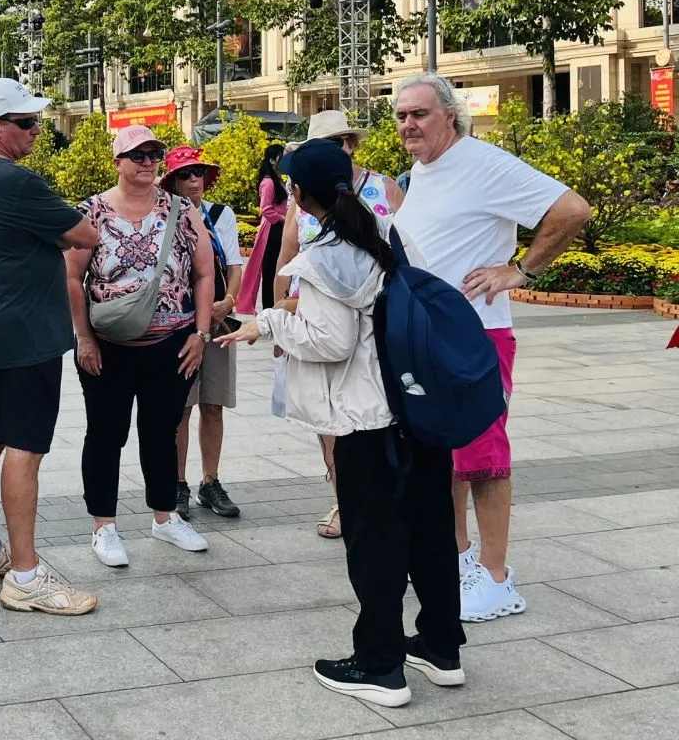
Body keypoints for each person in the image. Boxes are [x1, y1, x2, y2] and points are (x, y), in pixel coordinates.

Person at [224, 138, 464, 709]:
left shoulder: (324, 256)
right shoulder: (392, 237)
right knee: (431, 533)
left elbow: (329, 343)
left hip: (367, 422)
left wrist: (268, 327)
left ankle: (380, 665)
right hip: (419, 410)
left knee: (374, 543)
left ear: (298, 195)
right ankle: (440, 647)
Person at [393, 73, 589, 623]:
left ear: (449, 116)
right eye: (402, 115)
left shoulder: (484, 163)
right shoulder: (423, 172)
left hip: (477, 335)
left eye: (420, 114)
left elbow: (573, 209)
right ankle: (459, 564)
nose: (408, 124)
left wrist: (519, 270)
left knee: (483, 457)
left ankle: (499, 578)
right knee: (445, 456)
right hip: (430, 336)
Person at [0, 78, 101, 614]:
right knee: (25, 447)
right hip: (24, 331)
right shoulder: (15, 181)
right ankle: (24, 574)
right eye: (26, 123)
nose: (37, 130)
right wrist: (55, 234)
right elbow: (86, 235)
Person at [67, 127, 214, 567]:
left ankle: (164, 516)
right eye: (137, 155)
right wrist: (84, 337)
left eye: (154, 154)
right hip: (108, 346)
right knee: (105, 434)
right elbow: (73, 276)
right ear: (118, 160)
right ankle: (104, 526)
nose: (148, 162)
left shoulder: (182, 211)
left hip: (171, 344)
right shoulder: (92, 211)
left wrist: (200, 334)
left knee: (161, 433)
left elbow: (205, 274)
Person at [275, 109, 403, 541]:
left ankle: (370, 508)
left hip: (363, 328)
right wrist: (280, 311)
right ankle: (344, 497)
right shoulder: (306, 199)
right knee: (330, 417)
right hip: (311, 310)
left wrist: (270, 326)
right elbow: (286, 257)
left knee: (368, 414)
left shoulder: (384, 189)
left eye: (341, 142)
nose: (338, 151)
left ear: (353, 144)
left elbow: (405, 249)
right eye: (326, 146)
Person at [161, 145, 244, 520]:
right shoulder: (165, 215)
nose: (194, 181)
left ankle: (210, 481)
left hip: (218, 320)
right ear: (173, 181)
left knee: (213, 403)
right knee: (181, 406)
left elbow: (234, 262)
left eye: (199, 173)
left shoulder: (220, 215)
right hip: (179, 321)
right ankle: (176, 483)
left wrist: (228, 300)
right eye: (185, 174)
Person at [236, 143, 289, 314]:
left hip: (280, 227)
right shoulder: (268, 182)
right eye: (282, 156)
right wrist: (283, 219)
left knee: (278, 269)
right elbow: (265, 209)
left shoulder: (278, 179)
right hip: (273, 229)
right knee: (271, 270)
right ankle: (269, 309)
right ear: (273, 160)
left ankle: (276, 306)